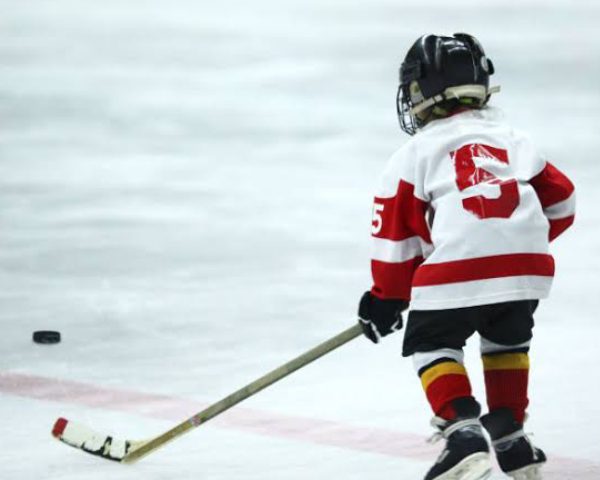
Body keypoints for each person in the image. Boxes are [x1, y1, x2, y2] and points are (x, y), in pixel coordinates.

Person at [357, 33, 575, 480]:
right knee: (506, 341)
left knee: (432, 343)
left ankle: (462, 434)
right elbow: (563, 200)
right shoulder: (512, 138)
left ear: (419, 92)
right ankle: (513, 440)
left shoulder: (414, 153)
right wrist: (516, 237)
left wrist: (386, 298)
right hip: (525, 272)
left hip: (458, 273)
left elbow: (395, 238)